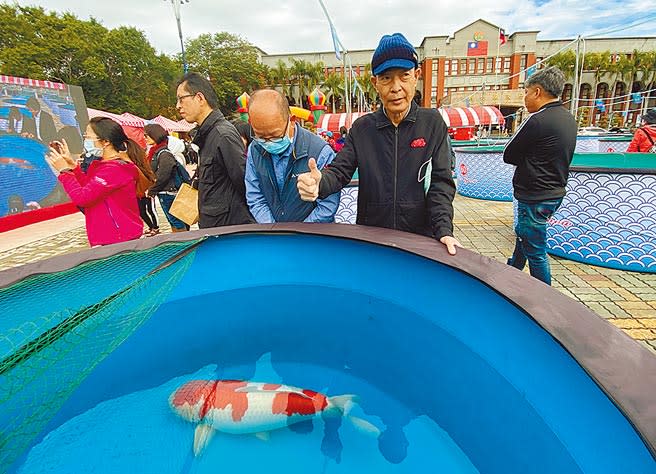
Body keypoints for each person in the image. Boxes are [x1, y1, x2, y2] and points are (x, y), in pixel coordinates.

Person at [296, 32, 460, 254]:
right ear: (375, 83)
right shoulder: (362, 129)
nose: (395, 87)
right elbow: (340, 171)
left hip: (420, 238)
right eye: (386, 78)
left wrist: (443, 230)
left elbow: (441, 183)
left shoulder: (432, 123)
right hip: (373, 239)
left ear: (416, 76)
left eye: (404, 76)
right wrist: (319, 183)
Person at [503, 66, 577, 285]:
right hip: (554, 193)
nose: (525, 97)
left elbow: (509, 154)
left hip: (535, 195)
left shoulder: (538, 120)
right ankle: (512, 272)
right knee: (524, 234)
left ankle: (545, 297)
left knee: (535, 250)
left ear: (537, 92)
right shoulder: (567, 118)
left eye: (526, 92)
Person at [45, 117, 143, 246]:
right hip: (111, 237)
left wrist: (64, 172)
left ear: (105, 142)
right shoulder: (104, 166)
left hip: (118, 239)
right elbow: (90, 187)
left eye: (88, 137)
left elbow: (83, 197)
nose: (85, 141)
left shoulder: (114, 169)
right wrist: (74, 168)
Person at [245, 89, 339, 223]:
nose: (268, 142)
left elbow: (328, 206)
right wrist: (274, 230)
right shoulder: (254, 150)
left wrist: (298, 234)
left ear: (292, 121)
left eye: (275, 136)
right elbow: (255, 197)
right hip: (275, 236)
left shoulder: (319, 151)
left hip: (315, 236)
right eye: (261, 136)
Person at [176, 72, 253, 228]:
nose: (178, 106)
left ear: (200, 98)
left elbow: (244, 183)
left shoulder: (222, 135)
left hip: (227, 231)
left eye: (181, 99)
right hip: (213, 227)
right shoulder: (207, 135)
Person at [144, 123, 188, 232]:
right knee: (174, 222)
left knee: (177, 222)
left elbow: (163, 175)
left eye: (146, 135)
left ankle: (183, 244)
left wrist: (152, 189)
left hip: (169, 193)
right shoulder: (156, 151)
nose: (144, 138)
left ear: (154, 135)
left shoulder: (163, 153)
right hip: (165, 192)